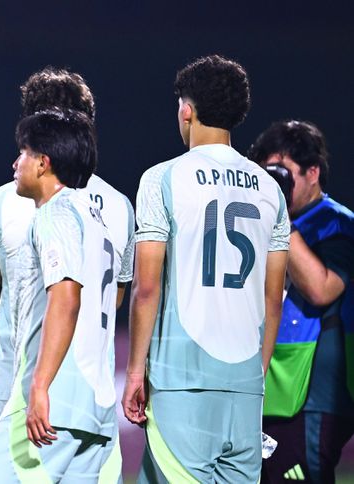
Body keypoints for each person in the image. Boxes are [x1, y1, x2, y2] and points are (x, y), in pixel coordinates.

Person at [121, 55, 290, 482]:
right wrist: (255, 379)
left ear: (187, 109)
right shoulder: (270, 189)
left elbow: (147, 288)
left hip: (182, 382)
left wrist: (135, 372)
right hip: (246, 387)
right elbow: (273, 298)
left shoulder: (163, 178)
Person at [0, 67, 134, 483]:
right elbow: (114, 298)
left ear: (44, 155)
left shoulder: (39, 207)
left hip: (37, 394)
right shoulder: (112, 208)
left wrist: (40, 386)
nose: (16, 159)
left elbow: (63, 295)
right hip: (97, 404)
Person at [249, 120, 354, 483]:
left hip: (313, 393)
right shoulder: (257, 223)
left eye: (284, 174)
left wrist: (278, 217)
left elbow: (323, 289)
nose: (276, 185)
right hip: (268, 382)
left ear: (313, 172)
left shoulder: (338, 224)